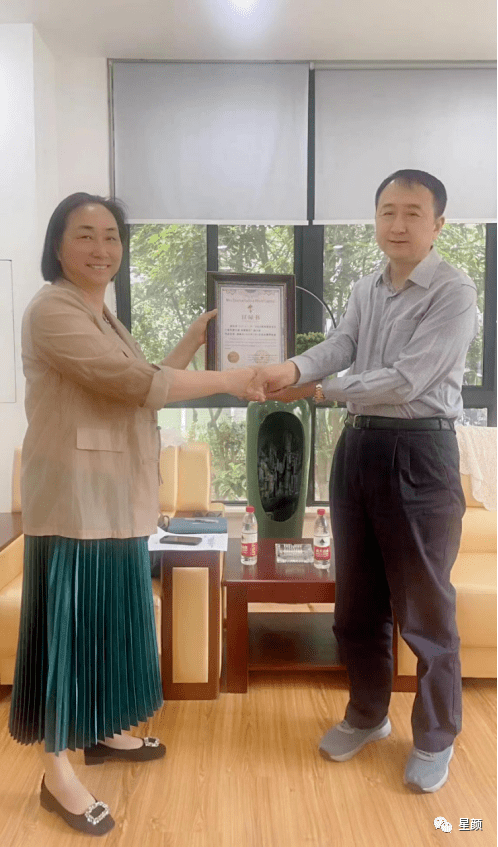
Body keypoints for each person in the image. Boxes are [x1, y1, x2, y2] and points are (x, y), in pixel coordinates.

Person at [8, 192, 262, 836]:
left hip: (118, 497)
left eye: (112, 236)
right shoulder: (52, 311)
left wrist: (190, 343)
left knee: (112, 623)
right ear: (58, 245)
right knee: (68, 636)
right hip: (74, 501)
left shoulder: (103, 316)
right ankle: (56, 772)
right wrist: (230, 378)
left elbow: (142, 390)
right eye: (85, 235)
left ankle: (103, 733)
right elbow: (134, 384)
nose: (102, 248)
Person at [249, 170, 478, 793]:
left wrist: (319, 389)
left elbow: (408, 379)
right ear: (376, 218)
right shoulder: (366, 286)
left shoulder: (454, 290)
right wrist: (292, 367)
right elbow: (343, 343)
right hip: (359, 448)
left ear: (438, 224)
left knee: (425, 611)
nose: (397, 225)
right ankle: (368, 715)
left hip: (420, 452)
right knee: (357, 602)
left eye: (412, 213)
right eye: (387, 211)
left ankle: (435, 736)